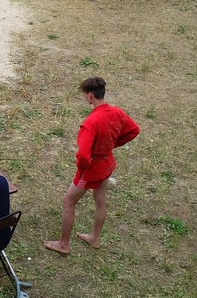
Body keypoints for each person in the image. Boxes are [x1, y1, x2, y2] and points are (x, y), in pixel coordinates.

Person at [43, 77, 140, 255]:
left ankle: (63, 244)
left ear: (89, 96)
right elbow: (134, 130)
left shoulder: (91, 123)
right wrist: (112, 146)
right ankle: (94, 238)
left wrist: (82, 171)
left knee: (68, 202)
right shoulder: (117, 112)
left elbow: (83, 155)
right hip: (107, 165)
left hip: (91, 170)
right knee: (100, 198)